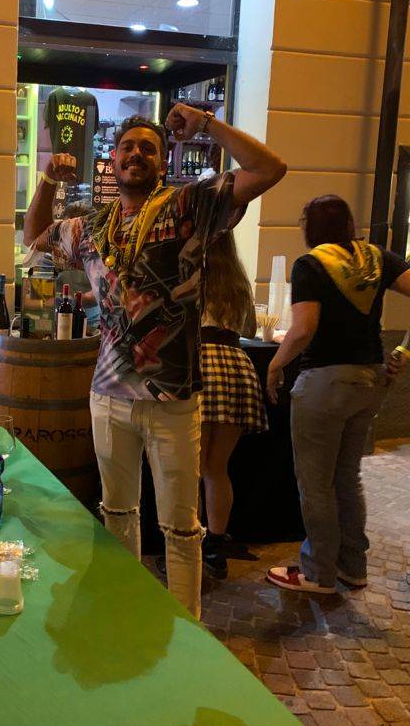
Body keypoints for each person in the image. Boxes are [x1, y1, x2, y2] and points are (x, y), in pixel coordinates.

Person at [23, 105, 286, 618]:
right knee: (117, 512)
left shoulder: (189, 207)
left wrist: (208, 125)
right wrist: (47, 181)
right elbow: (35, 238)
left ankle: (186, 624)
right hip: (107, 395)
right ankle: (124, 613)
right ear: (113, 161)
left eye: (149, 147)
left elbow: (269, 169)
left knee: (181, 524)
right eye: (128, 147)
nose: (136, 154)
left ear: (163, 162)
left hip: (172, 399)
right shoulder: (95, 226)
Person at [265, 195, 410, 594]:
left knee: (315, 483)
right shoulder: (377, 257)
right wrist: (403, 350)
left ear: (309, 226)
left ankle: (317, 573)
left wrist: (276, 366)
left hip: (324, 383)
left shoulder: (311, 265)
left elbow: (303, 329)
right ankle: (352, 566)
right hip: (368, 381)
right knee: (347, 477)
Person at [200, 230, 267, 579]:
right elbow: (252, 328)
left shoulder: (191, 273)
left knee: (189, 469)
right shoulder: (238, 282)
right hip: (236, 366)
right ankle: (214, 545)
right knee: (217, 467)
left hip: (199, 365)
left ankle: (186, 546)